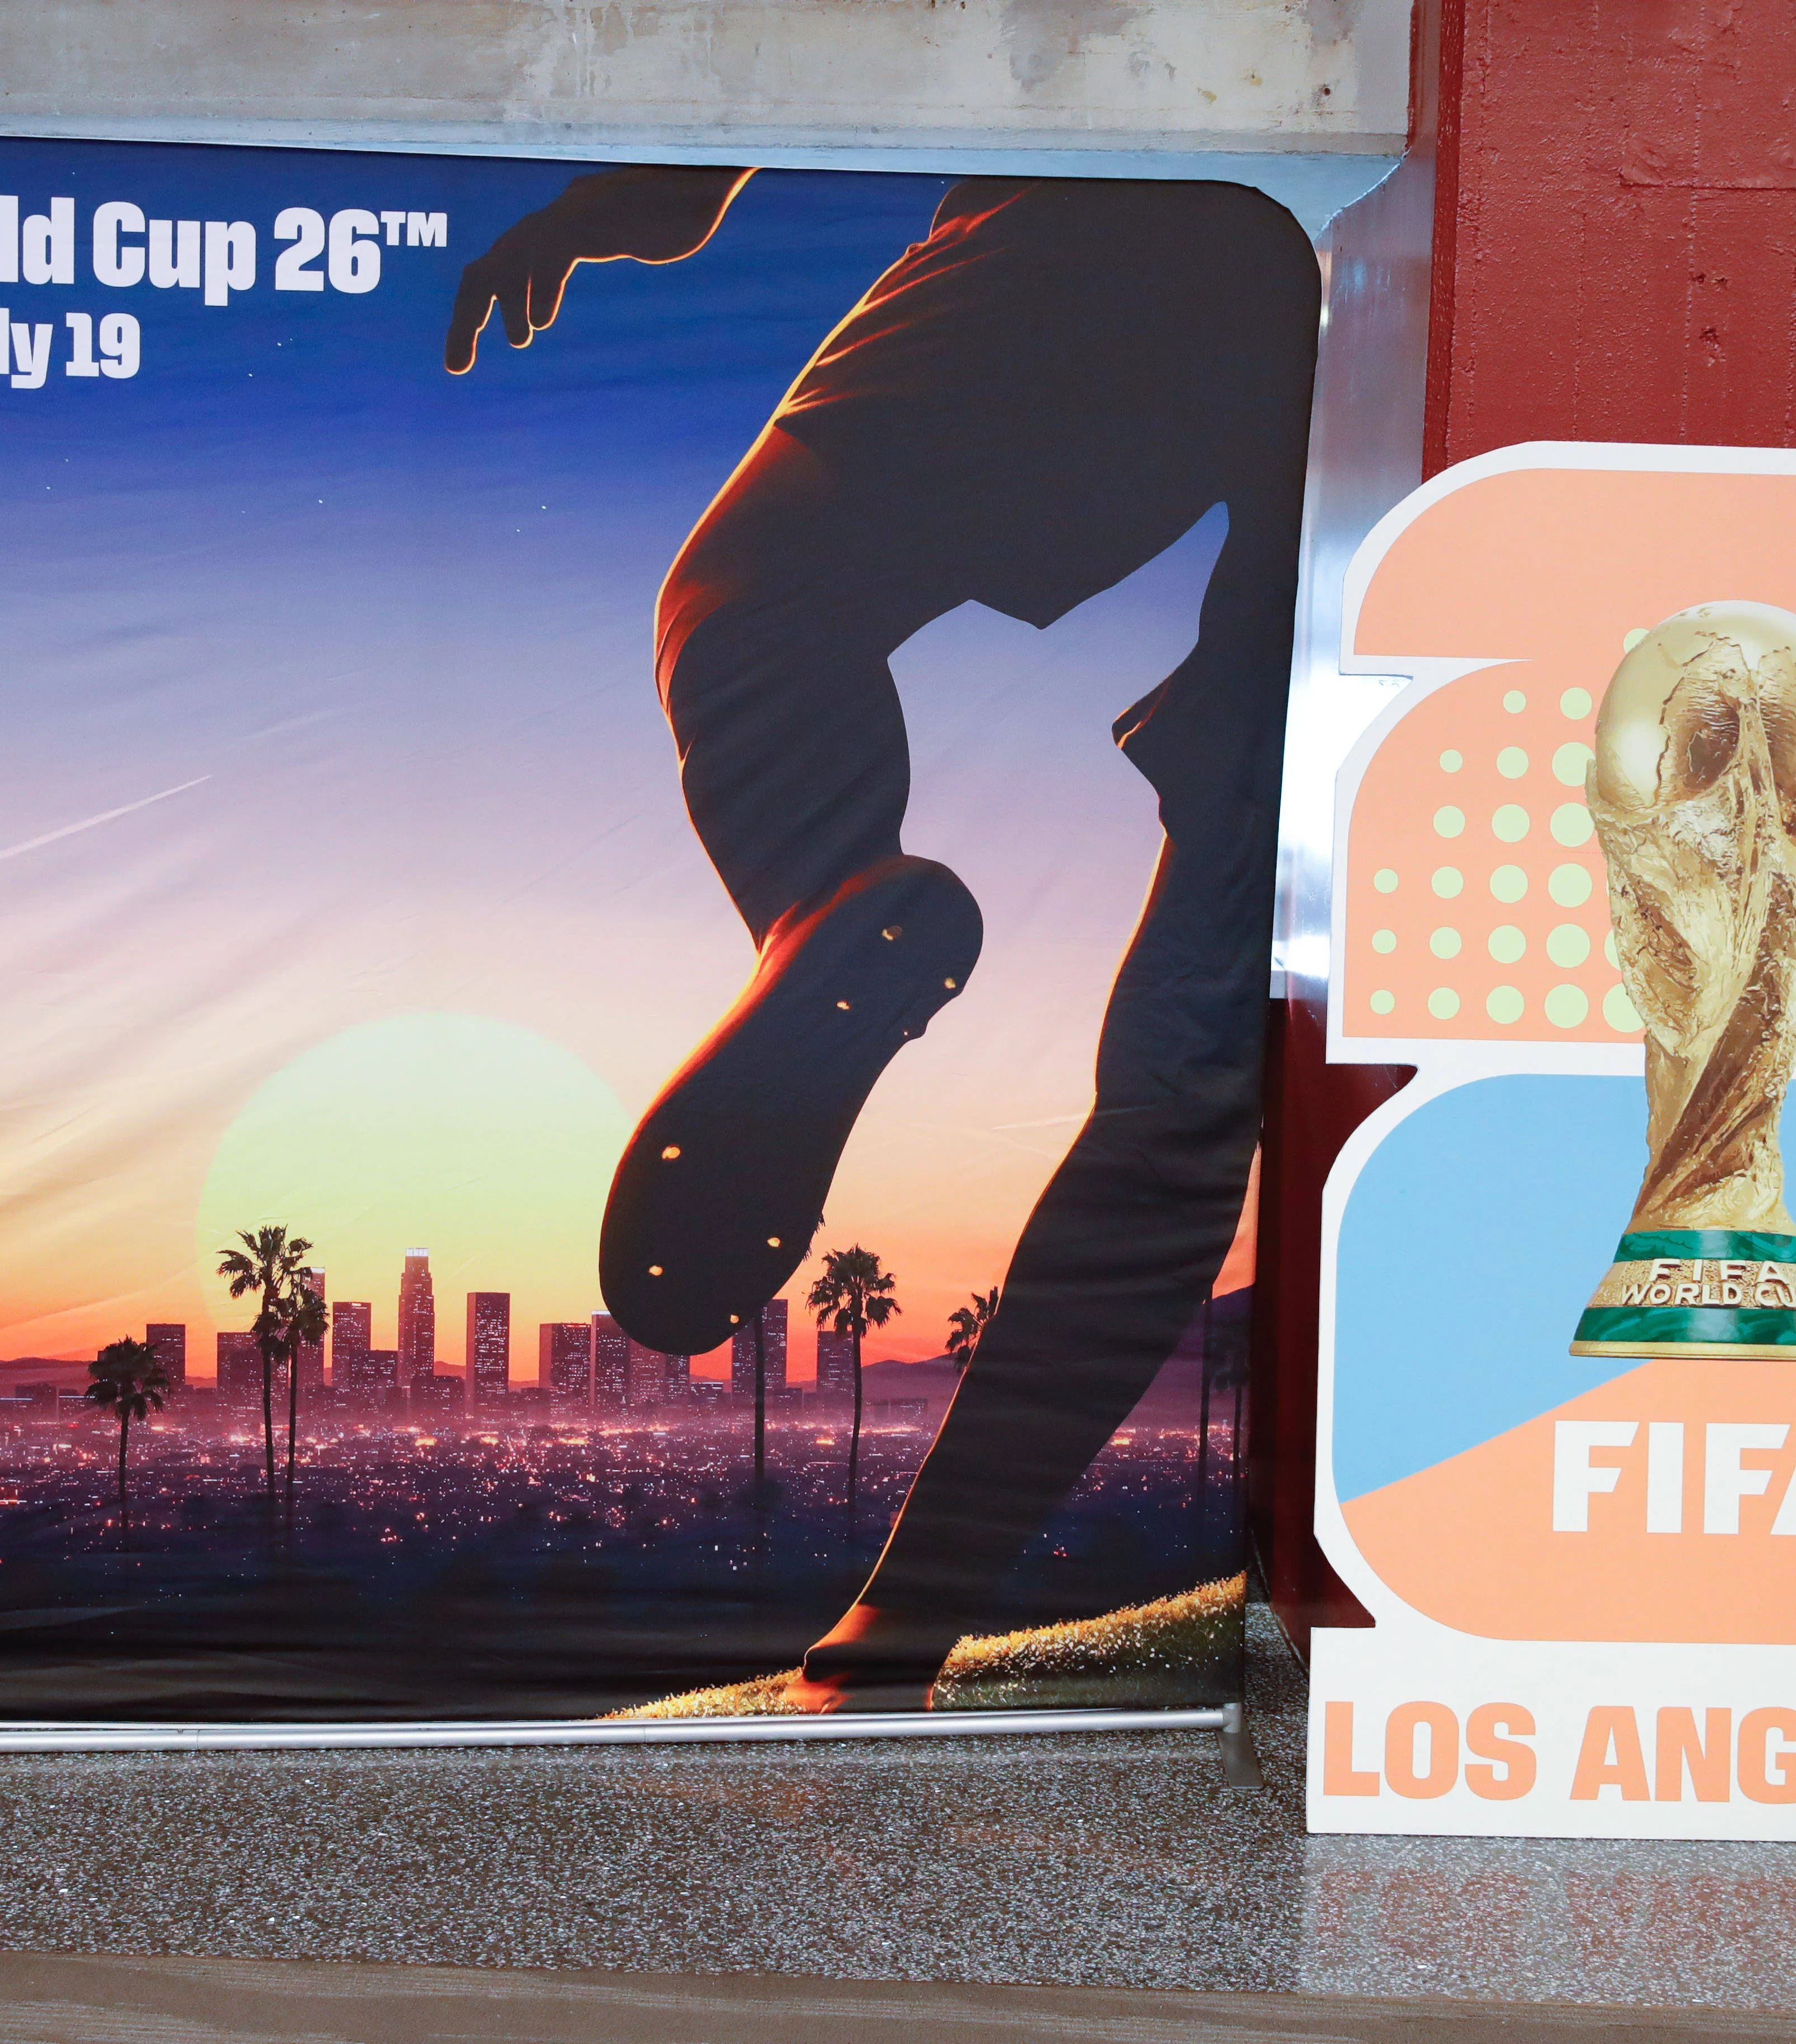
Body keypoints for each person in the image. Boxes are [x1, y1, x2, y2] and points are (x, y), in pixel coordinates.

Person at [448, 165, 1318, 1707]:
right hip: (1360, 320)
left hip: (1103, 226)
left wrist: (639, 190)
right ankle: (898, 1626)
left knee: (748, 602)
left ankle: (822, 897)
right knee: (1187, 1080)